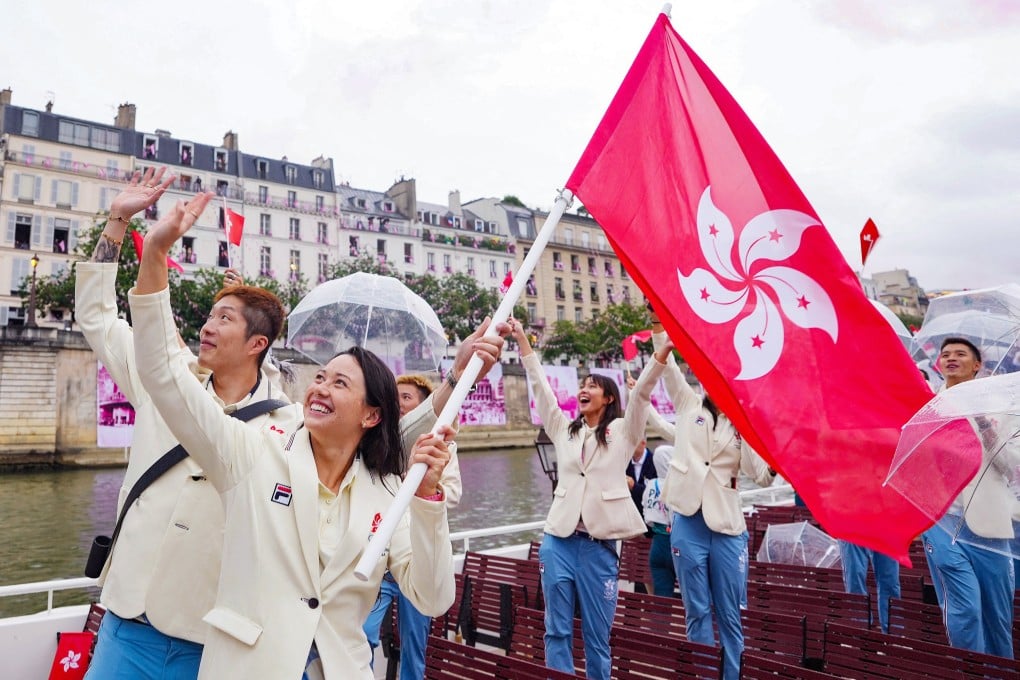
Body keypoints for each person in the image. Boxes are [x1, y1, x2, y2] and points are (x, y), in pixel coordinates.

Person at [127, 191, 505, 678]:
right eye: (320, 377)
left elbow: (432, 599)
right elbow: (162, 373)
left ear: (371, 416)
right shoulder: (252, 452)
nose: (319, 387)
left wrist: (428, 502)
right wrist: (155, 256)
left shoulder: (392, 492)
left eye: (339, 382)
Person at [79, 167, 301, 680]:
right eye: (209, 313)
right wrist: (116, 223)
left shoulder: (289, 428)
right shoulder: (167, 379)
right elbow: (96, 316)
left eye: (225, 318)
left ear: (257, 344)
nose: (206, 324)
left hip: (214, 637)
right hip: (127, 621)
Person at [510, 317, 668, 680]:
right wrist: (522, 340)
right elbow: (541, 389)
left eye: (593, 386)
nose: (584, 389)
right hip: (558, 542)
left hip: (598, 547)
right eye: (582, 385)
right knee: (557, 630)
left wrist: (659, 358)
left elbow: (641, 395)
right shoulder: (565, 431)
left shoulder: (623, 432)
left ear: (608, 398)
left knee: (597, 637)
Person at [652, 326, 776, 680]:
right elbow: (670, 369)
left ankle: (733, 674)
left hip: (726, 527)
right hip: (688, 523)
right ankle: (705, 674)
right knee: (697, 611)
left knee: (731, 612)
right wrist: (660, 326)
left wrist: (761, 438)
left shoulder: (742, 424)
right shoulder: (690, 406)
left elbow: (762, 475)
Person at [362, 374, 463, 680]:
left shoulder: (440, 448)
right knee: (362, 636)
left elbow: (453, 494)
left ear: (425, 407)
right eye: (396, 397)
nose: (399, 403)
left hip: (414, 558)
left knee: (414, 646)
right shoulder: (376, 447)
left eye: (406, 398)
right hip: (380, 562)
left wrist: (419, 483)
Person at [922, 336, 1015, 658]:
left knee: (997, 616)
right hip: (941, 520)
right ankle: (968, 671)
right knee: (964, 610)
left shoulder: (1000, 409)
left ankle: (1001, 672)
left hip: (989, 523)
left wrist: (986, 429)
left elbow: (1013, 468)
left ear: (977, 366)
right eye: (945, 354)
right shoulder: (925, 408)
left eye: (960, 354)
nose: (950, 358)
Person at [838, 540, 900, 633]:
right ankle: (860, 633)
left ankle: (894, 633)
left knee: (890, 580)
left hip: (887, 527)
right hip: (851, 528)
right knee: (854, 579)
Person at [641, 446, 677, 598]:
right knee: (692, 597)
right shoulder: (675, 485)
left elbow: (645, 511)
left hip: (656, 544)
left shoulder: (650, 484)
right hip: (676, 544)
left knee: (662, 599)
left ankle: (660, 620)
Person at [625, 438, 657, 513]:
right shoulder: (624, 461)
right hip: (629, 513)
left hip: (649, 516)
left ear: (643, 443)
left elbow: (656, 494)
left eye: (632, 443)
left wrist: (634, 486)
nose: (627, 446)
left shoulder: (655, 462)